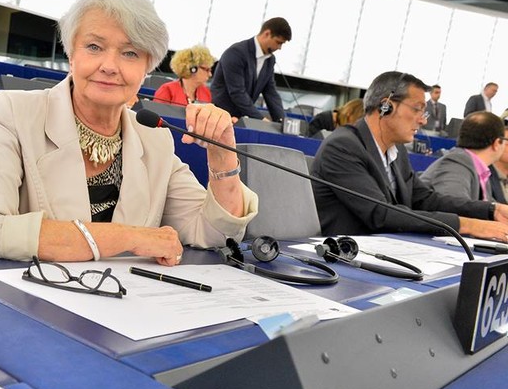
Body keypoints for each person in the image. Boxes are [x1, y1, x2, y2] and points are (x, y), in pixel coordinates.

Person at [0, 0, 258, 264]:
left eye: (130, 53)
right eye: (94, 47)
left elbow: (215, 232)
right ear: (71, 53)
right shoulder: (12, 113)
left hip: (112, 297)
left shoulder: (154, 139)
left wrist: (223, 153)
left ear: (147, 68)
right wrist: (129, 237)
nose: (110, 66)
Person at [310, 71, 508, 241]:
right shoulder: (343, 146)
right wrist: (469, 225)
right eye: (417, 109)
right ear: (386, 106)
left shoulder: (397, 151)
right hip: (344, 257)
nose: (422, 120)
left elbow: (425, 199)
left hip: (385, 250)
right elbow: (380, 214)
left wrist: (491, 210)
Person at [210, 17, 291, 123]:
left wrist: (282, 121)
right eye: (278, 42)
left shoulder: (270, 60)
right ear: (267, 34)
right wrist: (260, 119)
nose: (279, 48)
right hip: (220, 117)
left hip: (242, 120)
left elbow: (270, 92)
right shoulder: (236, 52)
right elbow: (237, 92)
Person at [420, 112, 506, 201]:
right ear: (497, 143)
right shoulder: (455, 166)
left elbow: (488, 205)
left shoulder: (478, 169)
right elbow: (454, 205)